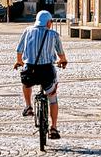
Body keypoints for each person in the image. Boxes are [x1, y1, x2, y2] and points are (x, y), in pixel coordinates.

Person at [14, 10, 68, 140]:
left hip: (30, 70)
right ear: (48, 22)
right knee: (53, 97)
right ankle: (53, 128)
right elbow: (60, 54)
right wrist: (63, 61)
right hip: (47, 71)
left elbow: (19, 50)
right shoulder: (53, 34)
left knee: (26, 82)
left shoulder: (27, 31)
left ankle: (28, 106)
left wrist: (19, 61)